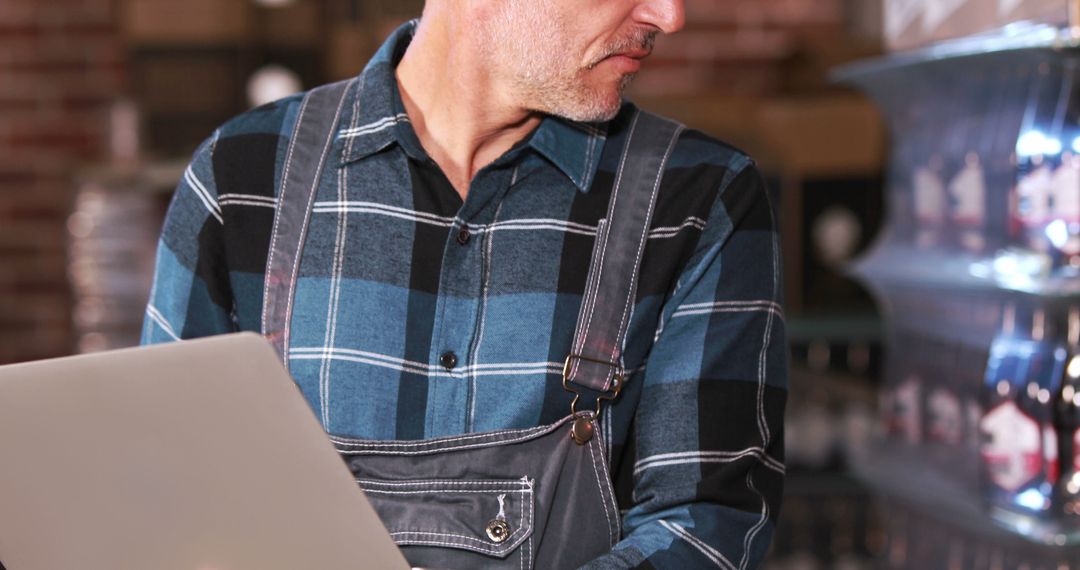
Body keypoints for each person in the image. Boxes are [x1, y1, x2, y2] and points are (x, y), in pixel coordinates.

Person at [142, 0, 787, 567]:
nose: (669, 15)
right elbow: (164, 499)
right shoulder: (243, 180)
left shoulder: (698, 200)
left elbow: (707, 527)